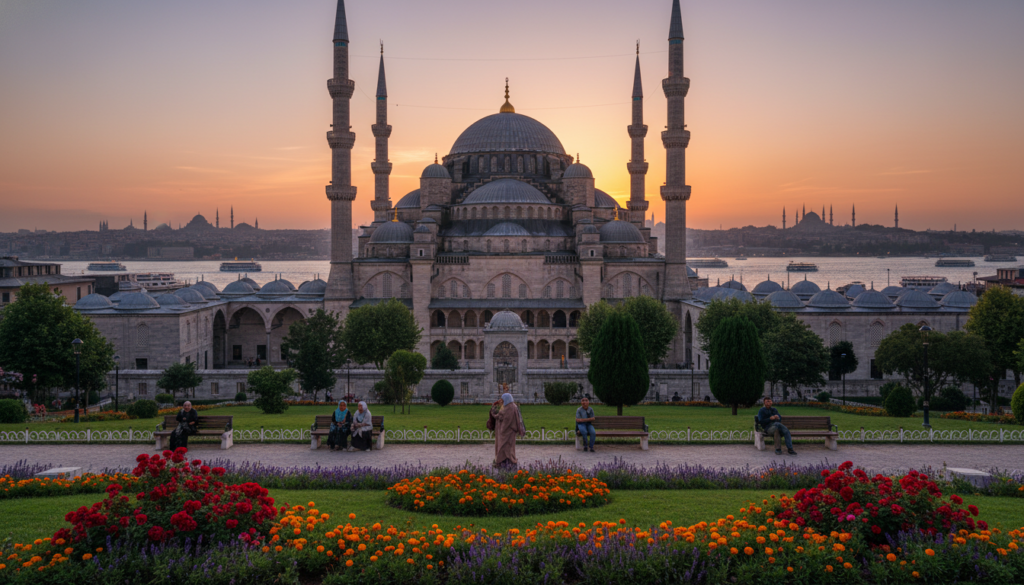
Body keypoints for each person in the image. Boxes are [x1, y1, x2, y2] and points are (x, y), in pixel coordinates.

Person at [488, 392, 525, 466]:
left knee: (504, 446)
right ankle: (505, 461)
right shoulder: (510, 406)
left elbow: (506, 420)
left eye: (502, 399)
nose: (501, 400)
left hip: (508, 431)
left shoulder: (510, 408)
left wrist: (502, 430)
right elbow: (501, 416)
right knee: (507, 447)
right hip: (509, 431)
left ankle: (502, 462)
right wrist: (494, 413)